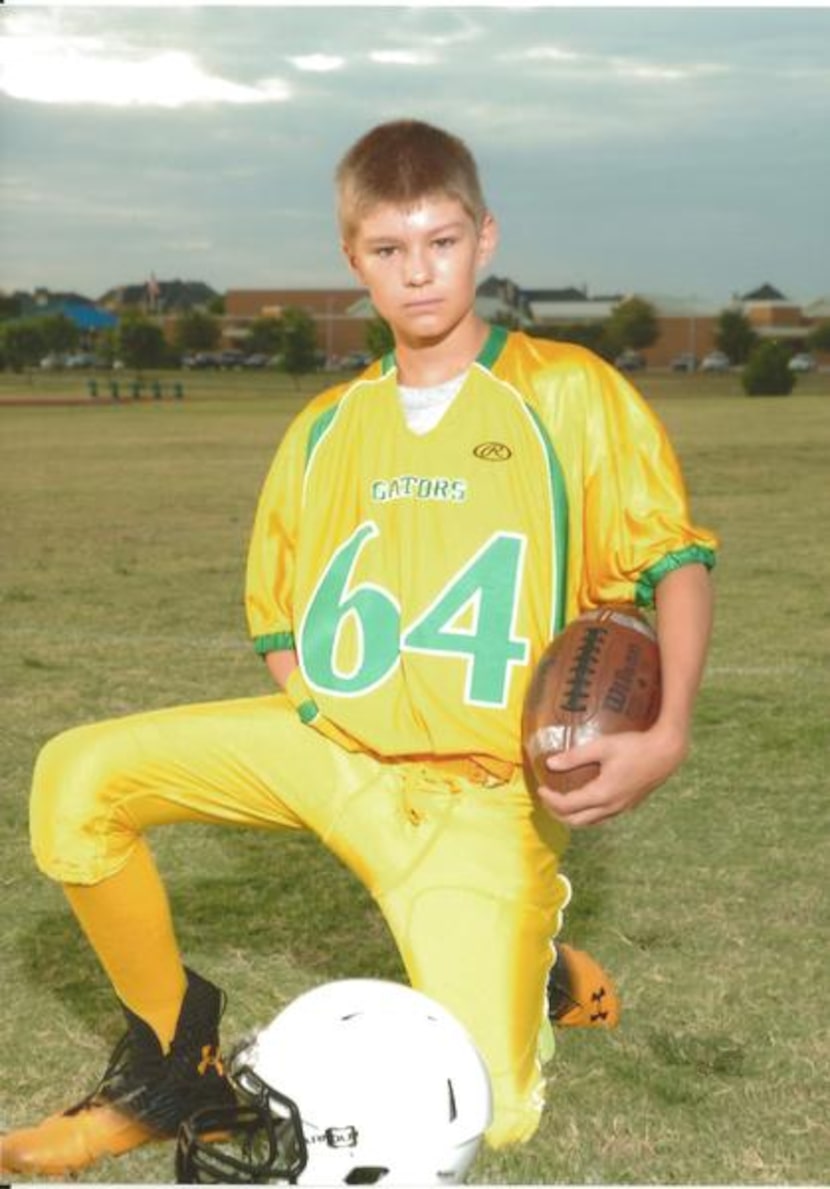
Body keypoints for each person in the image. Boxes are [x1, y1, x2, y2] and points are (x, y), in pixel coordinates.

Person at [0, 119, 717, 1178]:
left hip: (478, 793)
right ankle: (171, 1064)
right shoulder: (327, 426)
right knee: (76, 778)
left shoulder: (565, 390)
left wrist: (667, 729)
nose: (416, 270)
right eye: (387, 249)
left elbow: (671, 563)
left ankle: (539, 971)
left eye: (440, 240)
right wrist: (323, 720)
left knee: (490, 1113)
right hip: (334, 753)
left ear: (484, 239)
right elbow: (279, 621)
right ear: (353, 262)